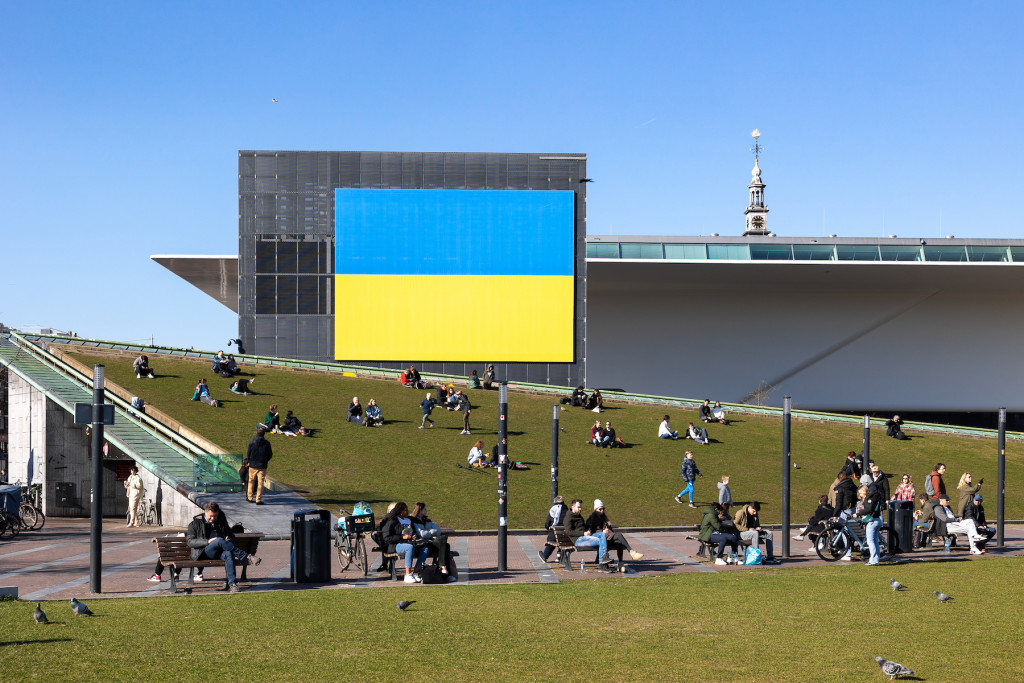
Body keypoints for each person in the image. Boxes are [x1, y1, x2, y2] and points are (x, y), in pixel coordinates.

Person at [185, 502, 259, 592]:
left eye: (215, 516)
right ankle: (247, 556)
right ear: (205, 512)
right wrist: (207, 541)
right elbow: (190, 542)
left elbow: (231, 536)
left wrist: (229, 541)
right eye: (211, 516)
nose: (213, 519)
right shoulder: (195, 523)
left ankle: (232, 584)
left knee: (228, 553)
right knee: (219, 540)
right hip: (204, 552)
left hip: (221, 551)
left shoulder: (221, 521)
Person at [380, 502, 430, 583]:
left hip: (411, 542)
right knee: (409, 547)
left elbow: (412, 532)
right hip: (395, 545)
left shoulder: (409, 520)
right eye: (405, 510)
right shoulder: (392, 521)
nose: (407, 511)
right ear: (400, 511)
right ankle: (407, 575)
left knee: (425, 549)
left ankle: (416, 573)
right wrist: (402, 537)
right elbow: (386, 538)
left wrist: (413, 536)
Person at [585, 499, 644, 566]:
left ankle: (621, 563)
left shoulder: (604, 517)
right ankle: (632, 552)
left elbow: (609, 527)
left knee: (619, 543)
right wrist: (602, 532)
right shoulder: (592, 518)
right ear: (595, 509)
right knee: (618, 536)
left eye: (603, 509)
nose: (602, 511)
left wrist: (608, 528)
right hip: (600, 539)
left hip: (608, 537)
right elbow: (590, 530)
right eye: (600, 509)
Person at [410, 502, 456, 582]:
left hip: (431, 542)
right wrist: (431, 532)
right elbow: (421, 534)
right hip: (423, 543)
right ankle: (446, 573)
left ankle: (443, 568)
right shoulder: (413, 521)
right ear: (420, 510)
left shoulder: (428, 520)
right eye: (424, 509)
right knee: (445, 545)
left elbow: (438, 530)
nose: (426, 511)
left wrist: (427, 531)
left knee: (444, 542)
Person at [563, 498, 613, 566]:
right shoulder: (568, 517)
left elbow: (583, 527)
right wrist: (583, 533)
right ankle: (602, 562)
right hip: (578, 540)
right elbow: (569, 532)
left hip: (585, 537)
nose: (580, 509)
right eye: (578, 507)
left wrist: (588, 530)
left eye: (581, 507)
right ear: (573, 507)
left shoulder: (579, 516)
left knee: (602, 534)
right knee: (601, 540)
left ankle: (605, 557)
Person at [245, 426, 272, 505]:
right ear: (264, 434)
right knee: (260, 483)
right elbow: (270, 454)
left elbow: (248, 453)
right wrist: (265, 461)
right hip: (262, 465)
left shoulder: (252, 442)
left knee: (251, 481)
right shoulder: (267, 443)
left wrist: (250, 461)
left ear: (257, 433)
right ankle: (258, 499)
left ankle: (250, 497)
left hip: (253, 465)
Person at [538, 495, 569, 563]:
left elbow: (547, 524)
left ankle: (545, 556)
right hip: (566, 537)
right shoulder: (568, 510)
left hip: (554, 533)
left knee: (551, 539)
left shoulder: (553, 510)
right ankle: (559, 555)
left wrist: (548, 528)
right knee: (561, 539)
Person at [862, 480, 885, 566]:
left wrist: (858, 513)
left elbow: (869, 509)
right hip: (878, 520)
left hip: (872, 521)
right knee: (875, 541)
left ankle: (873, 559)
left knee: (870, 541)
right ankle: (876, 559)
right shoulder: (878, 496)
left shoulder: (871, 497)